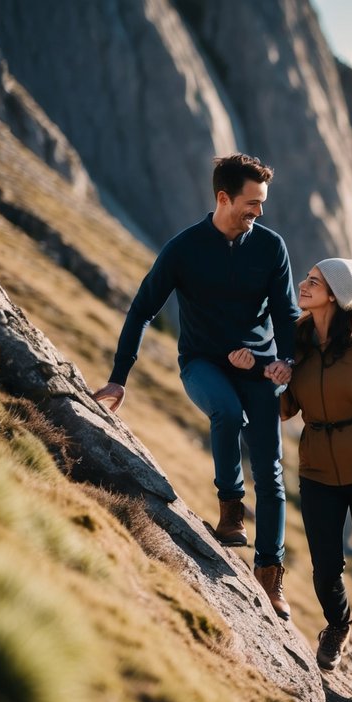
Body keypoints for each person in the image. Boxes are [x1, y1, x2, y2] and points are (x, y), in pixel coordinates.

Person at [92, 154, 297, 621]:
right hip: (202, 363)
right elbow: (141, 309)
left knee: (271, 472)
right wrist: (119, 378)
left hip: (260, 368)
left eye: (262, 203)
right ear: (223, 198)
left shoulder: (271, 247)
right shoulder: (183, 249)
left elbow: (286, 315)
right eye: (251, 203)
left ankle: (270, 575)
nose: (259, 212)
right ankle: (230, 508)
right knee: (226, 412)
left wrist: (284, 361)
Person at [235, 257, 352, 702]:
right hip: (318, 468)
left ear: (335, 295)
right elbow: (285, 410)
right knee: (324, 568)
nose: (303, 284)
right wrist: (262, 374)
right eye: (306, 278)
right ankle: (337, 625)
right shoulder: (296, 343)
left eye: (313, 281)